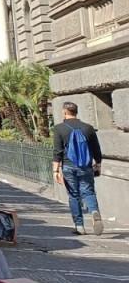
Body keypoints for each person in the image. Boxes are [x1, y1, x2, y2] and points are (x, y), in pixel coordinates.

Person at [52, 101, 103, 235]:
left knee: (74, 195)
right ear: (76, 112)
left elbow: (57, 151)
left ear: (64, 112)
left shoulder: (59, 129)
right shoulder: (88, 128)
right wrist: (98, 164)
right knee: (89, 192)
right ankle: (94, 211)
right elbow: (96, 149)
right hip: (85, 165)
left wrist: (56, 170)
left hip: (68, 166)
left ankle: (79, 226)